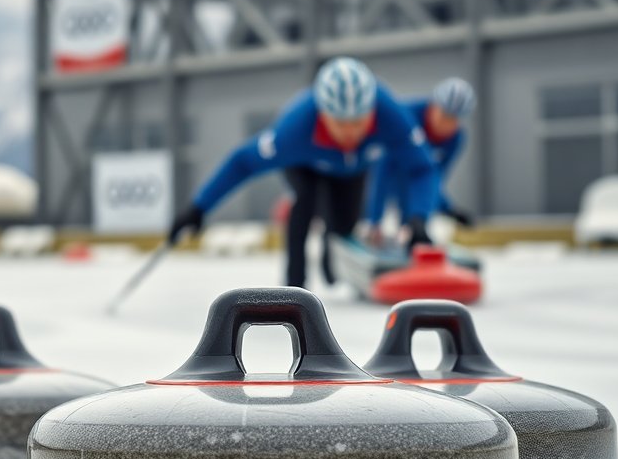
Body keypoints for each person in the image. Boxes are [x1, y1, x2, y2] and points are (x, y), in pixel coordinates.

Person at [167, 57, 440, 289]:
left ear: (372, 111)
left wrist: (419, 218)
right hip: (305, 165)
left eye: (358, 122)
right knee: (305, 202)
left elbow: (422, 168)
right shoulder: (294, 129)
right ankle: (294, 283)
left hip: (352, 168)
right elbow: (242, 163)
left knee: (344, 226)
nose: (350, 133)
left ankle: (328, 239)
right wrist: (199, 207)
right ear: (323, 114)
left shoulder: (391, 114)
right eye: (339, 123)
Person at [365, 77, 478, 246]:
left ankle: (408, 231)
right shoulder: (405, 117)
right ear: (433, 106)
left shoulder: (455, 139)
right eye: (443, 115)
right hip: (381, 174)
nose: (445, 125)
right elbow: (383, 168)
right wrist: (374, 221)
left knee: (415, 225)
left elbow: (434, 178)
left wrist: (448, 209)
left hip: (414, 180)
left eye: (453, 120)